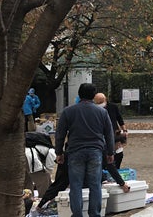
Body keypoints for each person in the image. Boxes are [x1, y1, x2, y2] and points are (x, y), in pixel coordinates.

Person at [55, 83, 115, 217]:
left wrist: (59, 152)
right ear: (94, 96)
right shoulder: (102, 112)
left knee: (75, 185)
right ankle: (95, 214)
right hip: (96, 151)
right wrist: (110, 152)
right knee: (95, 185)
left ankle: (77, 214)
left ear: (79, 94)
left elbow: (60, 134)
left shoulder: (68, 111)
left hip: (75, 151)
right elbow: (109, 133)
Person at [94, 93, 128, 168]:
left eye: (101, 102)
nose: (99, 104)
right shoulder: (94, 109)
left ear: (105, 99)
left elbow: (119, 119)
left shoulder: (113, 107)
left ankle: (116, 168)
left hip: (115, 133)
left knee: (119, 154)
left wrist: (124, 130)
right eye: (97, 103)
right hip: (101, 135)